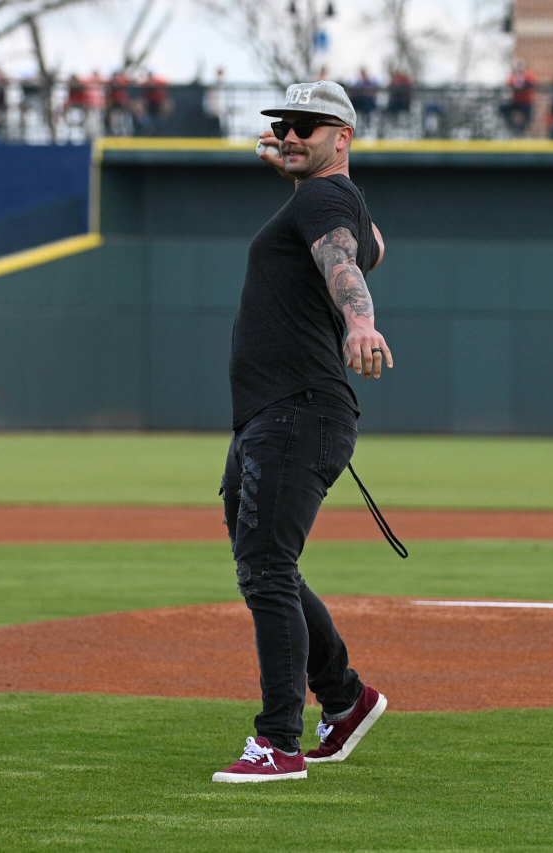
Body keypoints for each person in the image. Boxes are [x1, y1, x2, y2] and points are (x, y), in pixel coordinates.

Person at [212, 81, 391, 784]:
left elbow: (345, 260)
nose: (289, 134)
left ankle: (278, 742)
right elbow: (372, 241)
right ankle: (344, 699)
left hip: (295, 410)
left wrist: (359, 320)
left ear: (342, 136)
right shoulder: (324, 199)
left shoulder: (321, 201)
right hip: (276, 412)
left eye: (307, 127)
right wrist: (300, 170)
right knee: (267, 564)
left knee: (266, 568)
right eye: (283, 125)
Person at [500, 59, 538, 134]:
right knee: (503, 108)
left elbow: (533, 83)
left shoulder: (529, 74)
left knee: (528, 117)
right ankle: (511, 126)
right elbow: (508, 83)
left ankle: (522, 130)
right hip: (515, 101)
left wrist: (524, 84)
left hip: (526, 102)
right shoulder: (512, 76)